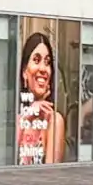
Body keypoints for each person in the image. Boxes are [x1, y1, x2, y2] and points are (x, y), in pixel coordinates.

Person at [16, 31, 69, 165]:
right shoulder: (16, 118)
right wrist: (28, 115)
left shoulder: (54, 120)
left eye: (47, 62)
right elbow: (3, 160)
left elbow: (51, 177)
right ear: (24, 73)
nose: (43, 69)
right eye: (36, 60)